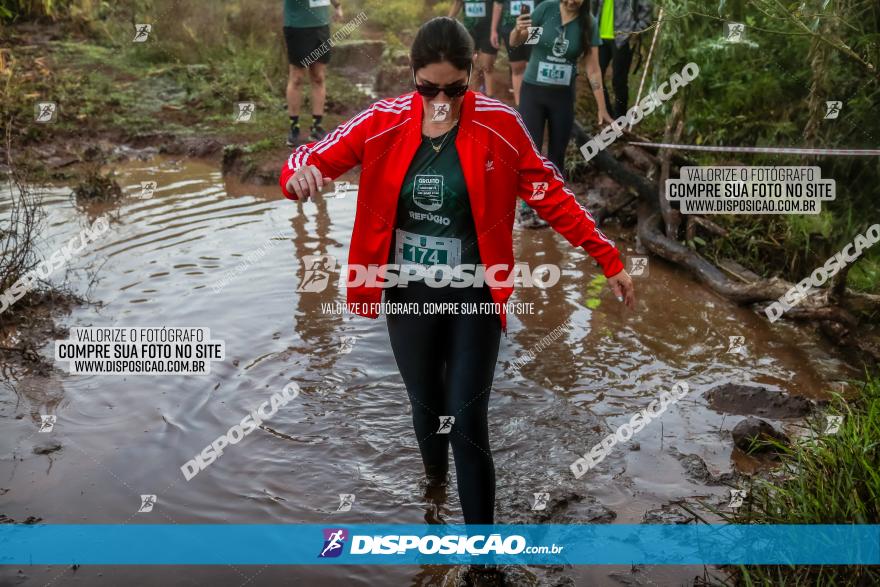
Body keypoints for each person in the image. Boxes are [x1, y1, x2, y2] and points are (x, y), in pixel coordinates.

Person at [280, 17, 635, 529]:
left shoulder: (501, 125)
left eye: (454, 88)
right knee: (426, 410)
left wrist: (608, 258)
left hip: (474, 295)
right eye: (429, 89)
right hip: (406, 293)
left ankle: (481, 557)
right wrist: (299, 176)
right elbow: (306, 159)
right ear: (413, 77)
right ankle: (435, 498)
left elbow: (550, 194)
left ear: (472, 74)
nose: (441, 101)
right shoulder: (382, 121)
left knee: (468, 424)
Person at [510, 0, 614, 228]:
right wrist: (518, 30)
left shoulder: (588, 23)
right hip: (533, 92)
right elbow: (516, 42)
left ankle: (551, 207)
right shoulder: (546, 10)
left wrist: (602, 107)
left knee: (557, 154)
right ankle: (527, 209)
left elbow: (593, 68)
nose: (572, 1)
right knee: (532, 151)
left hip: (563, 97)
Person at [283, 0, 343, 147]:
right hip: (297, 25)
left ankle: (317, 127)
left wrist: (337, 6)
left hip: (321, 25)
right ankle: (294, 128)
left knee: (318, 77)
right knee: (297, 78)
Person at [593, 0, 653, 117]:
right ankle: (607, 115)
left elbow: (647, 8)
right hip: (599, 36)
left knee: (619, 81)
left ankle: (620, 119)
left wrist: (636, 30)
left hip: (623, 38)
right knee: (595, 77)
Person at [490, 0, 546, 106]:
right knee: (517, 67)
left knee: (532, 66)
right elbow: (498, 4)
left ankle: (534, 106)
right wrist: (493, 30)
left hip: (534, 28)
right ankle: (520, 106)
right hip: (509, 27)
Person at [449, 0, 498, 97]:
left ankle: (490, 98)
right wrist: (446, 22)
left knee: (487, 66)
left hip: (488, 30)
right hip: (469, 30)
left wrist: (495, 29)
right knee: (472, 66)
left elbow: (498, 5)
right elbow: (457, 3)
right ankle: (474, 97)